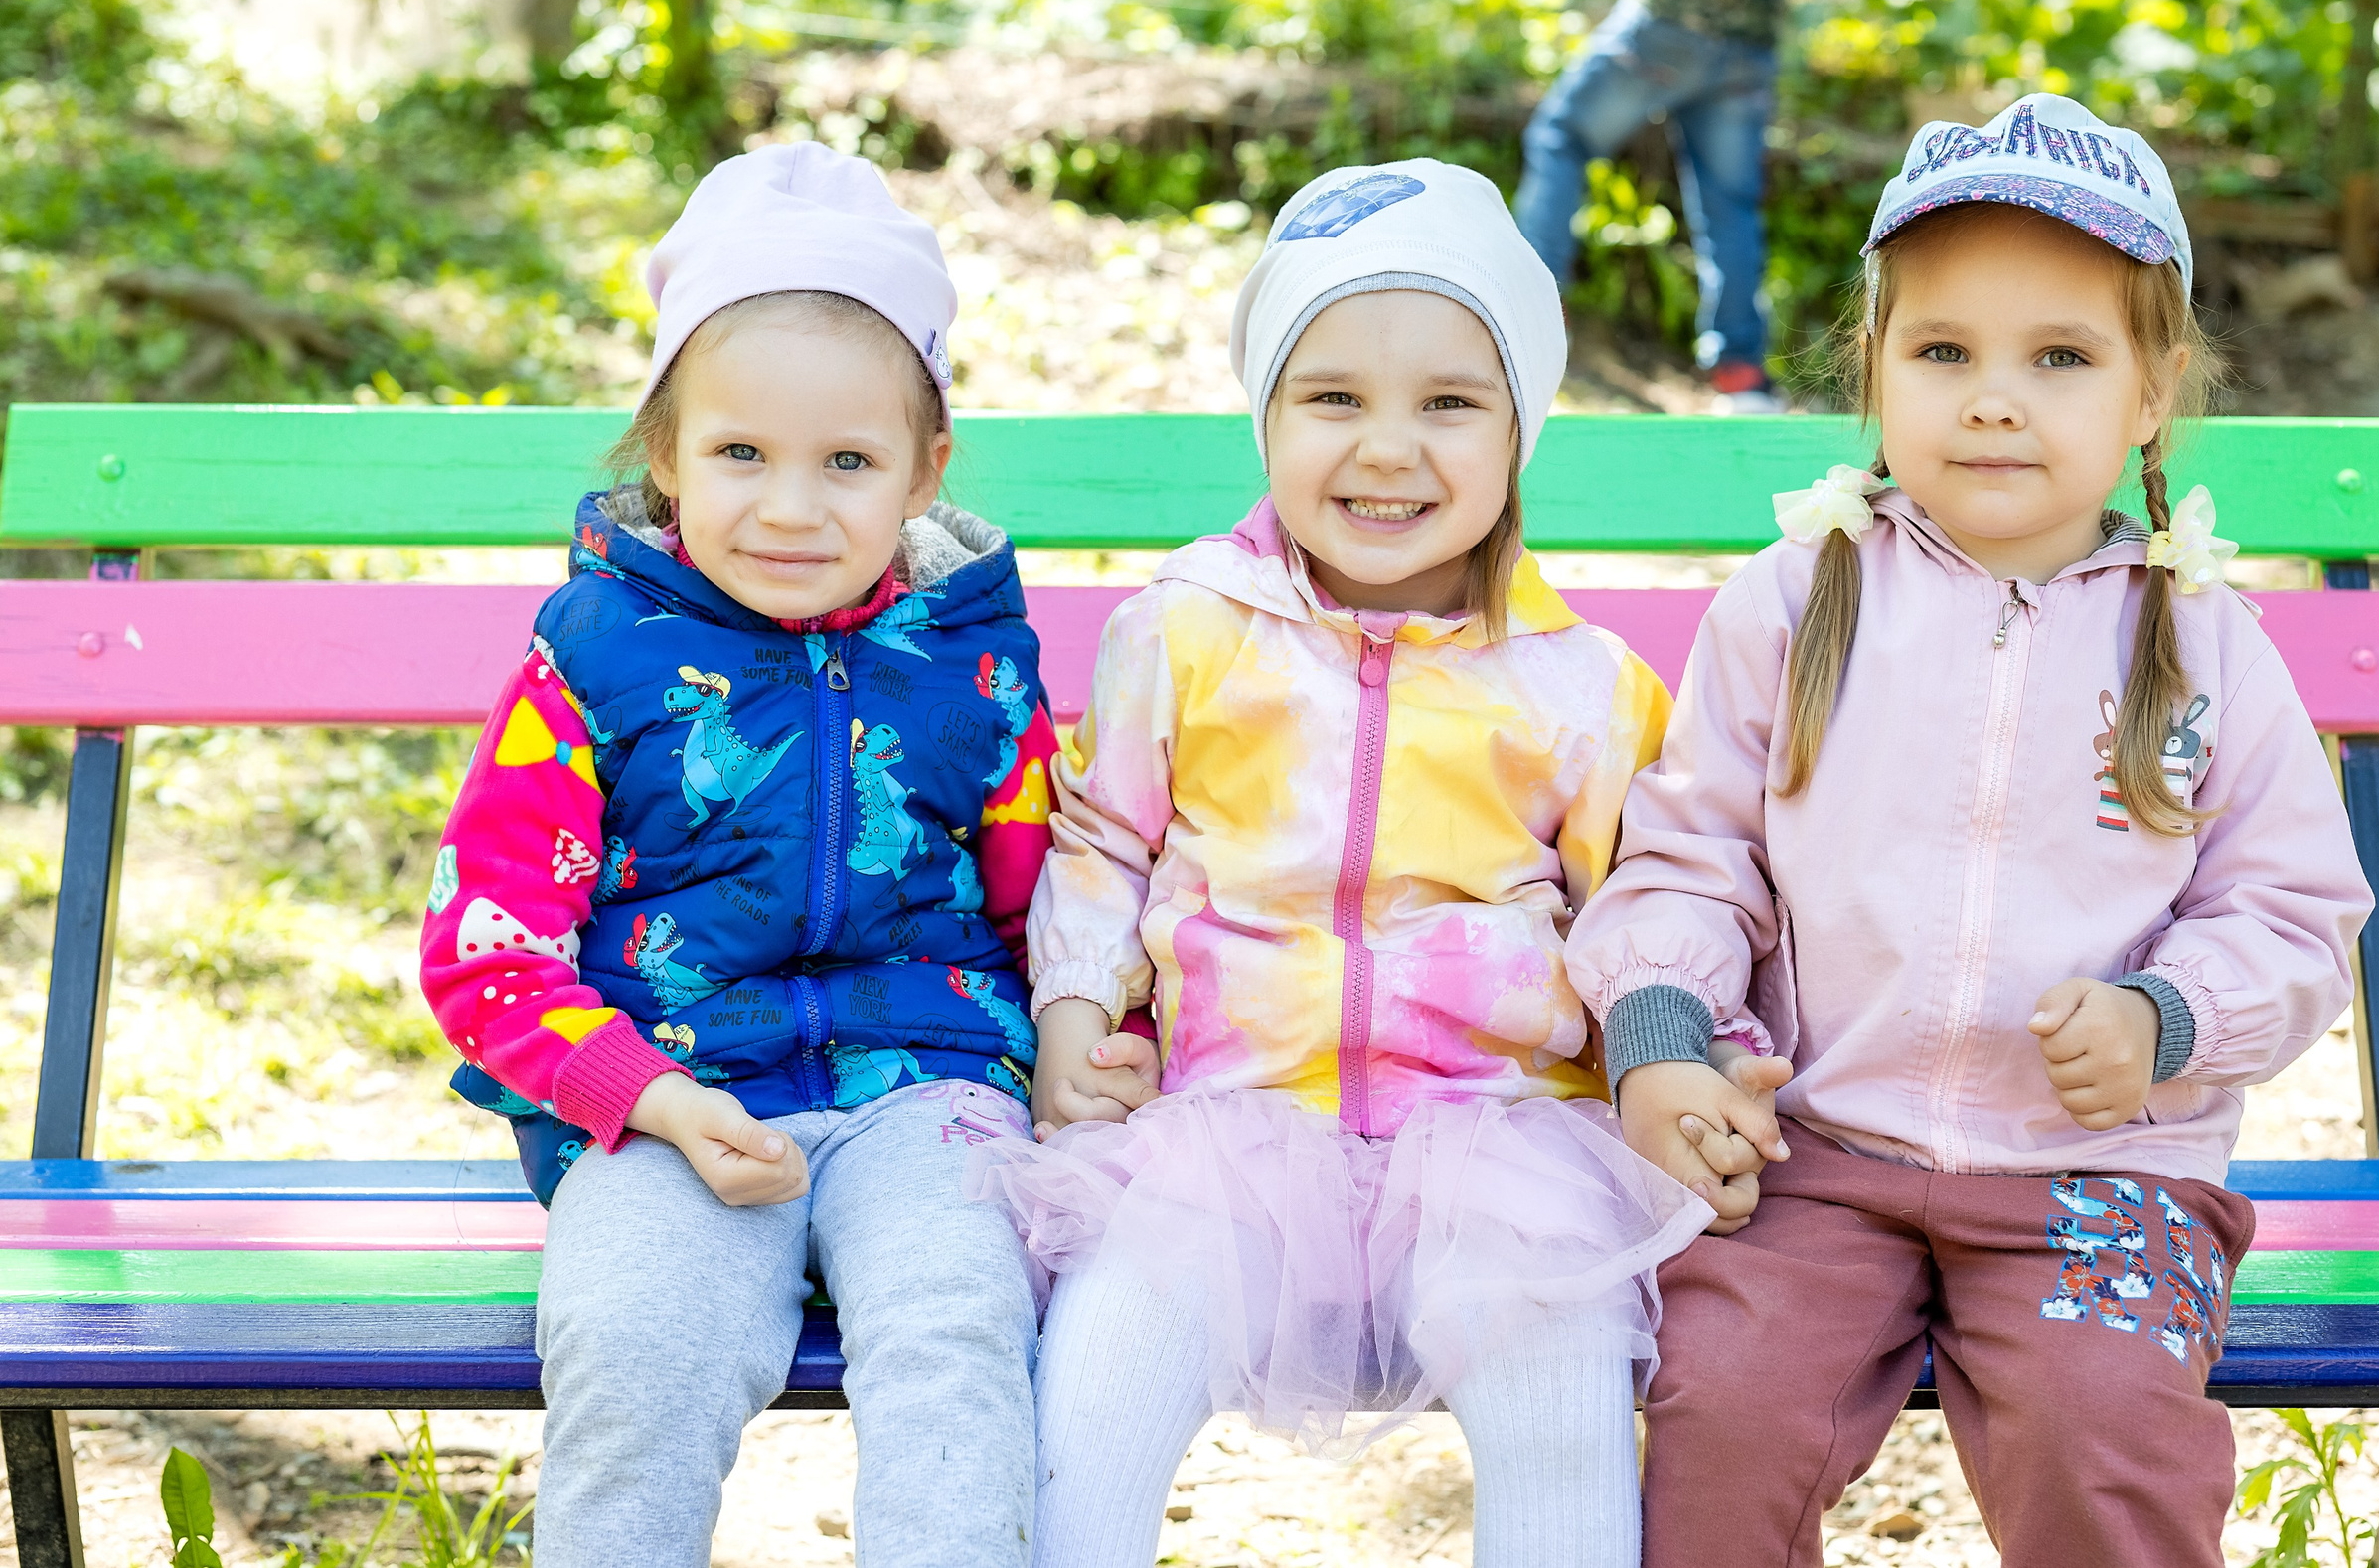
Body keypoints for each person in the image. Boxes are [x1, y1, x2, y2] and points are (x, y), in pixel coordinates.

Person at [1566, 94, 2378, 1568]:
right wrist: (1665, 1028)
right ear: (1874, 365)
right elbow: (1686, 860)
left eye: (2059, 357)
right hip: (1814, 1146)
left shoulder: (2201, 638)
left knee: (2104, 1437)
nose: (1994, 398)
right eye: (1943, 351)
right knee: (1723, 1416)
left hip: (2106, 1172)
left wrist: (2170, 1013)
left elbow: (2297, 909)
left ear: (2152, 392)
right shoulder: (1801, 600)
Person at [967, 159, 1753, 1568]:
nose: (1388, 447)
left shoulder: (1579, 686)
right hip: (1230, 1133)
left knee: (1562, 1393)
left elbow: (1652, 899)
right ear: (1264, 415)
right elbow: (1099, 838)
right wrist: (1079, 1020)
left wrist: (1698, 1047)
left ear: (1522, 432)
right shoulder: (1189, 633)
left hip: (1501, 1138)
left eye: (1450, 401)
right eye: (1334, 396)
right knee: (1091, 1382)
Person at [419, 143, 1068, 1568]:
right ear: (665, 452)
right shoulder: (590, 655)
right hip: (666, 1096)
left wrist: (1097, 1034)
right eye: (739, 454)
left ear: (926, 465)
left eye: (848, 460)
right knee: (636, 1338)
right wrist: (637, 1092)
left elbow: (1050, 898)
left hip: (932, 1091)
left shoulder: (972, 659)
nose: (791, 507)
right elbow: (489, 943)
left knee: (964, 1332)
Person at [1512, 0, 1816, 412]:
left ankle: (1522, 319)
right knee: (1730, 204)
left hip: (1669, 20)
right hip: (1749, 39)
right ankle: (1742, 374)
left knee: (1563, 136)